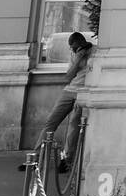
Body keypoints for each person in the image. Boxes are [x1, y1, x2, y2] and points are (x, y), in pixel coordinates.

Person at [18, 32, 94, 173]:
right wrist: (77, 59)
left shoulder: (94, 52)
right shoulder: (75, 55)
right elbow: (68, 77)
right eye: (71, 47)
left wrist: (85, 56)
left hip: (83, 92)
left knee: (73, 124)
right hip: (69, 90)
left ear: (81, 42)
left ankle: (66, 161)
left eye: (74, 46)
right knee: (51, 121)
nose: (72, 49)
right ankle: (36, 158)